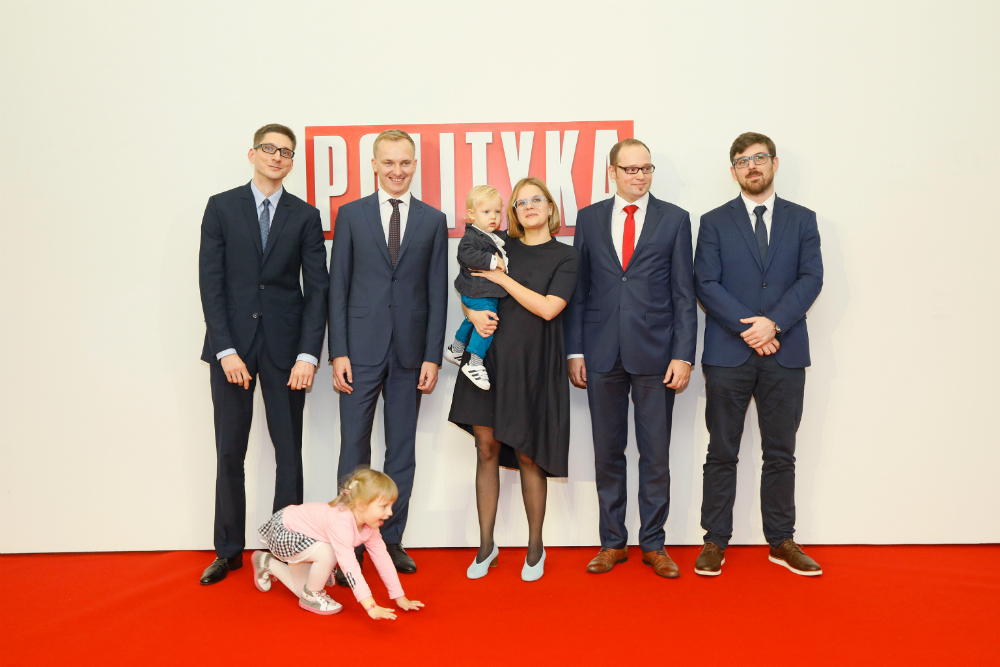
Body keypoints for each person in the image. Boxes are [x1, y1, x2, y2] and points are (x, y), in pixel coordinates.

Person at [198, 124, 328, 585]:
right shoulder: (221, 207)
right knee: (229, 450)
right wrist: (225, 350)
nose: (277, 157)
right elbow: (210, 283)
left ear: (292, 162)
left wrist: (308, 355)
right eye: (270, 148)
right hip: (231, 350)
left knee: (288, 453)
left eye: (286, 152)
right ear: (252, 153)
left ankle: (285, 549)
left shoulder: (305, 215)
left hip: (286, 351)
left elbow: (317, 290)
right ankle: (228, 551)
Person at [565, 138, 697, 579]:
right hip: (601, 352)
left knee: (655, 455)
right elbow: (580, 292)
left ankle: (654, 544)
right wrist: (575, 349)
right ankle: (612, 543)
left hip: (657, 354)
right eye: (631, 169)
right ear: (612, 172)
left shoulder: (675, 219)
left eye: (646, 169)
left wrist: (683, 356)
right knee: (607, 453)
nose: (639, 176)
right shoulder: (589, 218)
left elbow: (684, 294)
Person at [693, 132, 824, 576]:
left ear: (774, 163)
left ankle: (781, 541)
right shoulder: (714, 221)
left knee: (781, 453)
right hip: (728, 354)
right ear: (733, 171)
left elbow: (811, 279)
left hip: (785, 353)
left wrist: (775, 324)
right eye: (742, 161)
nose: (752, 166)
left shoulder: (803, 219)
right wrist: (752, 328)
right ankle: (714, 540)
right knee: (721, 451)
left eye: (759, 158)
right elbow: (705, 283)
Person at [327, 129, 449, 576]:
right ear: (374, 165)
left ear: (415, 165)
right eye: (389, 162)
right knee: (353, 450)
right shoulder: (351, 215)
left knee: (401, 450)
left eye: (405, 162)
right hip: (358, 352)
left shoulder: (433, 220)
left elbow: (437, 292)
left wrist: (432, 356)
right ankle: (348, 546)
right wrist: (338, 351)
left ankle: (390, 540)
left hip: (410, 355)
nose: (397, 170)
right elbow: (338, 286)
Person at [448, 177, 578, 582]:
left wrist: (502, 278)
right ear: (513, 212)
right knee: (486, 448)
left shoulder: (566, 256)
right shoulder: (496, 243)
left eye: (537, 199)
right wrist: (471, 314)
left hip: (533, 364)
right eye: (521, 202)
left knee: (527, 453)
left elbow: (548, 309)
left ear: (550, 206)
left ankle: (535, 546)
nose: (529, 206)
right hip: (486, 360)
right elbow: (467, 282)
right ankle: (486, 545)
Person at [252, 468, 424, 619]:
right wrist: (371, 606)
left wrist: (399, 596)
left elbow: (382, 559)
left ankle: (265, 562)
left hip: (305, 535)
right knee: (330, 552)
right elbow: (349, 566)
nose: (390, 512)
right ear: (361, 505)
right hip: (286, 530)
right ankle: (313, 594)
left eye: (391, 506)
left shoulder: (370, 526)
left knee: (301, 590)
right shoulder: (341, 521)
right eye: (384, 506)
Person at [445, 185, 509, 390]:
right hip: (478, 292)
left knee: (473, 320)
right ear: (472, 215)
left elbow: (503, 240)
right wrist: (494, 261)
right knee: (487, 323)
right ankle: (474, 362)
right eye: (486, 211)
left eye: (497, 212)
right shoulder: (471, 237)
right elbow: (466, 255)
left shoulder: (492, 235)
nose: (493, 217)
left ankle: (456, 348)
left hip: (480, 292)